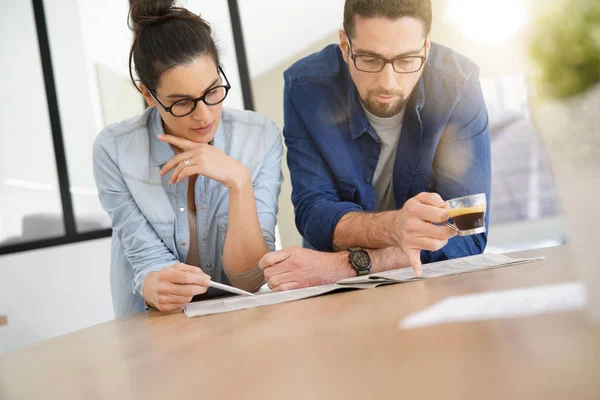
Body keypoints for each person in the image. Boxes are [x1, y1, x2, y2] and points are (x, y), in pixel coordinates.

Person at [259, 0, 491, 291]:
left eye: (407, 61)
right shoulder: (305, 86)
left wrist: (344, 266)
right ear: (345, 46)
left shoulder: (459, 85)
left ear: (426, 47)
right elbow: (314, 213)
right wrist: (394, 228)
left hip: (398, 280)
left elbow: (468, 233)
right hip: (338, 294)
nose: (388, 83)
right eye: (369, 60)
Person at [93, 0, 283, 317]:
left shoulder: (259, 137)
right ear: (148, 95)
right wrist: (156, 283)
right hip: (155, 326)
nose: (205, 115)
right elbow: (148, 264)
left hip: (236, 322)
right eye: (182, 102)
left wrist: (239, 182)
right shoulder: (114, 150)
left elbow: (250, 279)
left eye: (212, 91)